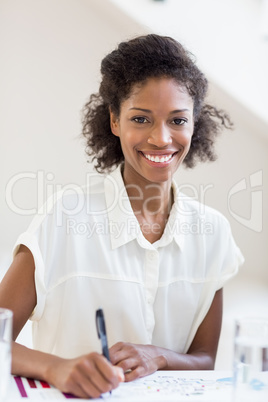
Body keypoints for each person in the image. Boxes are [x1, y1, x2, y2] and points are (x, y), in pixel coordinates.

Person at [0, 34, 244, 399]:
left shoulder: (213, 233)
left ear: (194, 124)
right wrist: (57, 367)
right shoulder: (64, 219)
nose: (162, 139)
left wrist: (158, 356)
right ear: (115, 121)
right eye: (141, 118)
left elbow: (205, 358)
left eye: (177, 120)